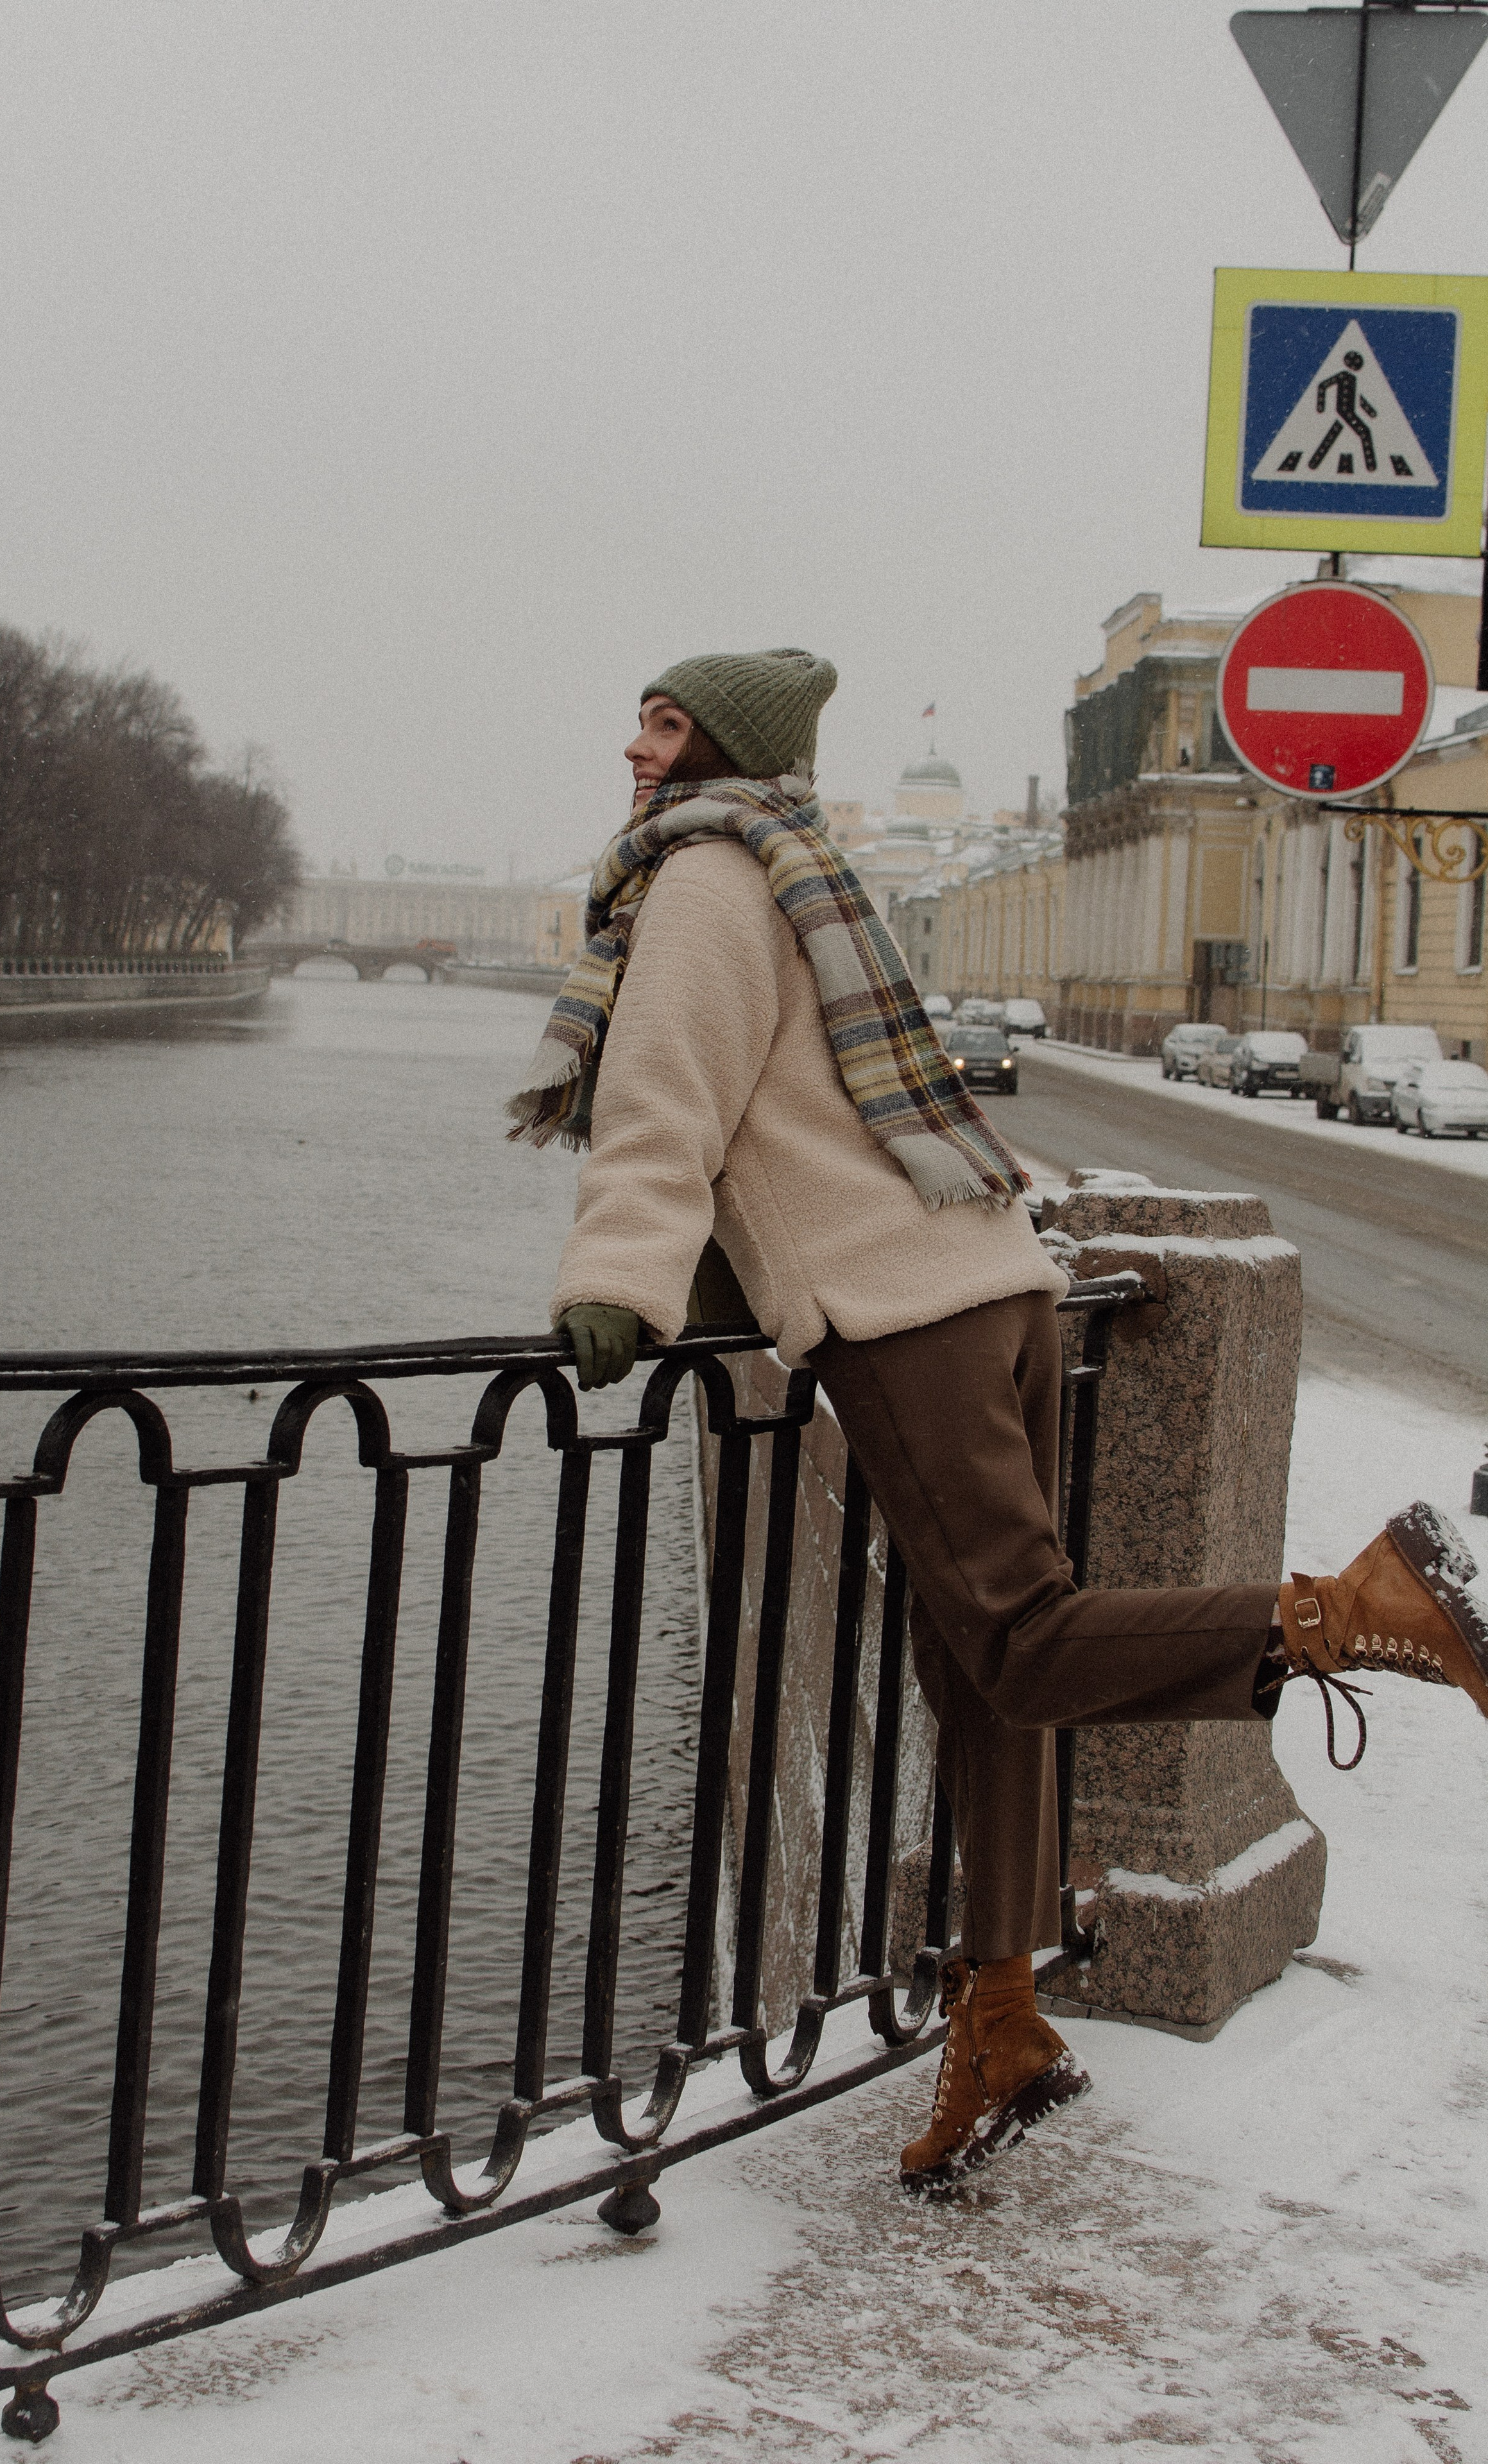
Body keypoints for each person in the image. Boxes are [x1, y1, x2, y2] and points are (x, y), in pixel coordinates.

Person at [509, 647, 1488, 2197]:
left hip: (910, 1318)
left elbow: (664, 1099)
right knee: (982, 1680)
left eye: (664, 723)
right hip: (999, 1289)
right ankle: (1003, 2020)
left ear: (720, 750)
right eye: (638, 718)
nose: (635, 747)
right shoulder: (797, 867)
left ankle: (1357, 1608)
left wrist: (614, 1283)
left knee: (1020, 1642)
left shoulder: (699, 880)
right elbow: (794, 1107)